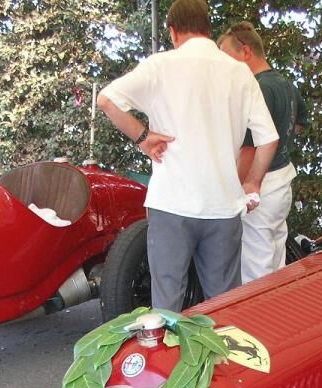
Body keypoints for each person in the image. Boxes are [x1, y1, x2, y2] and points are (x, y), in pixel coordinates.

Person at [96, 0, 278, 311]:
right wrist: (253, 183)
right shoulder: (239, 73)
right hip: (223, 206)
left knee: (167, 307)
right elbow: (269, 139)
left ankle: (172, 360)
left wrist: (143, 137)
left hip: (171, 204)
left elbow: (107, 100)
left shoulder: (160, 66)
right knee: (224, 309)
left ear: (172, 31)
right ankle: (223, 360)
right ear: (208, 29)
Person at [218, 21, 308, 283]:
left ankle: (256, 323)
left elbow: (250, 146)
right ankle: (279, 318)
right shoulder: (286, 84)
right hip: (282, 181)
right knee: (275, 259)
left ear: (246, 51)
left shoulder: (255, 88)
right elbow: (300, 123)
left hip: (260, 183)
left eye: (227, 57)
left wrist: (233, 188)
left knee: (254, 271)